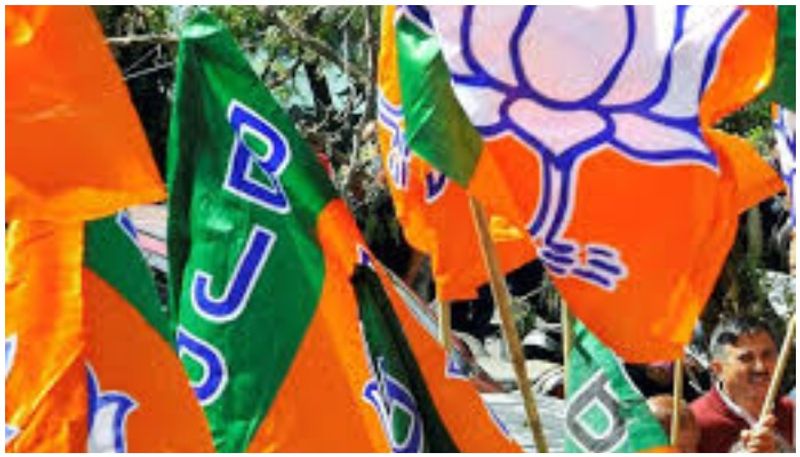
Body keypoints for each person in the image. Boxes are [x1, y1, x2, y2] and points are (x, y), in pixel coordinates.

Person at [690, 317, 794, 452]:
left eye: (767, 355)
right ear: (718, 369)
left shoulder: (791, 411)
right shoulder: (693, 424)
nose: (760, 367)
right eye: (746, 358)